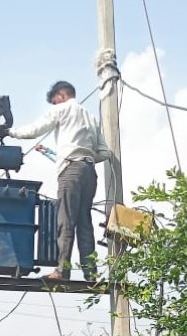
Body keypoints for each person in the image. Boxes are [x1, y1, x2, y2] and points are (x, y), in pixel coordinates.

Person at [6, 80, 110, 283]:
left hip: (71, 170)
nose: (54, 105)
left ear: (61, 96)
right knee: (84, 223)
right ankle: (91, 274)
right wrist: (85, 156)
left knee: (66, 221)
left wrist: (10, 132)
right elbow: (104, 152)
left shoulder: (61, 109)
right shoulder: (91, 117)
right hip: (89, 172)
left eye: (54, 101)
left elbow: (35, 129)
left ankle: (62, 271)